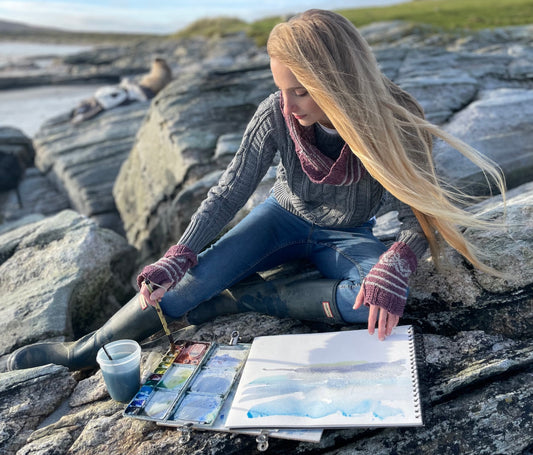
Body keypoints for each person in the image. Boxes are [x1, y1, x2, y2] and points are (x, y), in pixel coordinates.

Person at [8, 9, 506, 371]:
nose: (289, 106)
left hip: (347, 235)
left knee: (368, 303)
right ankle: (81, 350)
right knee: (174, 295)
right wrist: (180, 254)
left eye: (301, 90)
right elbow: (228, 191)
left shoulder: (397, 118)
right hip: (279, 220)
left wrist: (397, 262)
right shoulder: (275, 113)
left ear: (338, 79)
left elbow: (419, 214)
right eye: (282, 89)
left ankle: (242, 299)